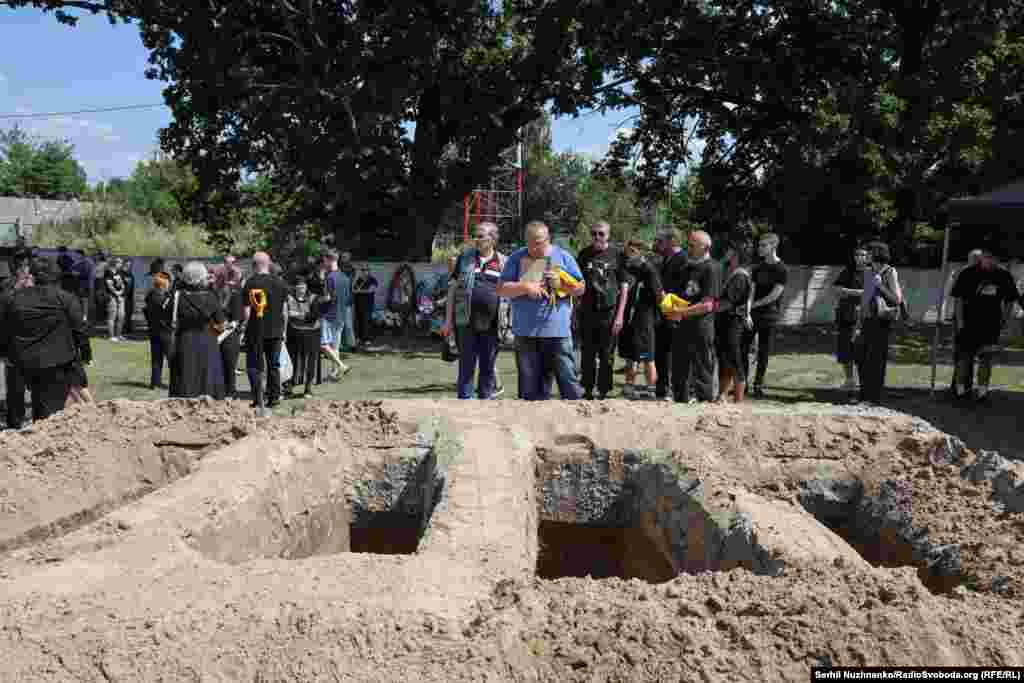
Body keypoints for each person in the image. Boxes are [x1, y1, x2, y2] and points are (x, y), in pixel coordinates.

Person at [497, 220, 585, 400]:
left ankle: (577, 414)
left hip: (557, 332)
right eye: (531, 244)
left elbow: (581, 289)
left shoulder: (564, 256)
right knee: (529, 392)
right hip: (525, 333)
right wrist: (525, 287)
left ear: (548, 239)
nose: (536, 248)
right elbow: (501, 289)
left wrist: (562, 285)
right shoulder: (516, 258)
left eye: (540, 243)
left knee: (569, 385)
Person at [0, 257, 85, 423]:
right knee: (48, 411)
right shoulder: (66, 298)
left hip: (23, 360)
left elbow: (4, 327)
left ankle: (23, 423)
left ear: (33, 276)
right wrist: (84, 353)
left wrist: (4, 352)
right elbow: (79, 329)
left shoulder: (12, 298)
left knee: (36, 402)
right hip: (56, 361)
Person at [442, 221, 507, 400]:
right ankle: (464, 404)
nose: (476, 239)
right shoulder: (465, 258)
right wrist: (448, 321)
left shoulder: (504, 262)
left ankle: (485, 404)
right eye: (475, 236)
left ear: (492, 239)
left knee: (488, 368)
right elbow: (452, 289)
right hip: (465, 321)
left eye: (480, 236)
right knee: (466, 367)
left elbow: (511, 294)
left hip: (493, 324)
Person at [950, 247, 1019, 402]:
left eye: (991, 257)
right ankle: (960, 391)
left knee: (986, 359)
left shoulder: (1003, 275)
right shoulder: (967, 273)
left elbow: (1010, 300)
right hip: (968, 324)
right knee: (964, 359)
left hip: (991, 325)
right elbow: (958, 298)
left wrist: (1005, 321)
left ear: (996, 259)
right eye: (986, 256)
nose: (988, 260)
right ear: (982, 256)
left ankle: (982, 392)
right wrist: (960, 322)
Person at [663, 230, 721, 403]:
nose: (688, 248)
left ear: (705, 248)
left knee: (702, 366)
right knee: (679, 366)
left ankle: (704, 402)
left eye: (692, 245)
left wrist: (681, 313)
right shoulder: (686, 267)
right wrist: (670, 305)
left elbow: (708, 304)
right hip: (682, 326)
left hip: (701, 327)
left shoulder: (712, 268)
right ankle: (679, 400)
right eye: (688, 244)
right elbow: (679, 295)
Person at [575, 221, 629, 400]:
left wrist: (620, 315)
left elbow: (624, 287)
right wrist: (574, 310)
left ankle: (604, 391)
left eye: (601, 234)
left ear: (608, 235)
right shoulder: (584, 254)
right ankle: (587, 389)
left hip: (609, 311)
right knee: (587, 353)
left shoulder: (618, 255)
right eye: (594, 233)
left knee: (607, 354)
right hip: (588, 311)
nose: (597, 237)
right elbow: (577, 283)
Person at [168, 262, 227, 400]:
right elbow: (221, 324)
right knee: (208, 380)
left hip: (185, 341)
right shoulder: (211, 297)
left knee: (185, 380)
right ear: (201, 278)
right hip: (208, 342)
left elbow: (167, 319)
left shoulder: (177, 297)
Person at [855, 241, 903, 405]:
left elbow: (897, 299)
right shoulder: (868, 272)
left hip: (881, 320)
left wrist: (880, 285)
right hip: (867, 319)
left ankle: (874, 396)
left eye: (868, 253)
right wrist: (858, 323)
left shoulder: (889, 271)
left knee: (876, 359)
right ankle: (864, 393)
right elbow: (865, 298)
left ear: (876, 254)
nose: (865, 256)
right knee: (861, 356)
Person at [242, 252, 288, 409]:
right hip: (275, 330)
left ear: (254, 265)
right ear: (269, 264)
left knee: (254, 365)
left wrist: (244, 327)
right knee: (273, 364)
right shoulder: (280, 283)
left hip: (256, 330)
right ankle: (274, 397)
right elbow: (284, 310)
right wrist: (284, 330)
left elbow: (247, 312)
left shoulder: (250, 283)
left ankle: (258, 398)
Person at [619, 239, 663, 400]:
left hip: (646, 319)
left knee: (647, 357)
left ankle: (651, 389)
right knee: (631, 355)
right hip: (631, 318)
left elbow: (660, 296)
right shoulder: (630, 268)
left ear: (640, 252)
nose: (629, 255)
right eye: (627, 251)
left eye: (633, 252)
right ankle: (629, 386)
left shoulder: (649, 270)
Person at [745, 232, 788, 398]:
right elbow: (752, 291)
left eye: (763, 245)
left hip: (769, 314)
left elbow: (774, 295)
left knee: (763, 350)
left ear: (773, 246)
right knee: (743, 348)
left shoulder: (781, 269)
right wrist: (748, 311)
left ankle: (758, 385)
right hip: (753, 313)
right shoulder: (757, 268)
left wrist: (755, 305)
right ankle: (743, 383)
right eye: (759, 245)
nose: (760, 248)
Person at [715, 242, 754, 403]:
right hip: (726, 321)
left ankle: (738, 399)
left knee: (734, 358)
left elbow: (729, 302)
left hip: (733, 321)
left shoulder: (740, 276)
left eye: (730, 252)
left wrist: (711, 307)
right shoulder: (733, 273)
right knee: (725, 359)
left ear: (736, 256)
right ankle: (722, 395)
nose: (727, 255)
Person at [652, 227, 687, 402]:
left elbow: (684, 289)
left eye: (660, 241)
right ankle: (662, 388)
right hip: (662, 313)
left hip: (675, 313)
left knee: (675, 354)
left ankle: (675, 389)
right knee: (661, 352)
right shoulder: (665, 259)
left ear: (672, 241)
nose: (657, 244)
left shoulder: (683, 259)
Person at [944, 249, 983, 394]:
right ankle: (960, 385)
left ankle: (964, 385)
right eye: (975, 260)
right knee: (962, 354)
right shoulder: (962, 273)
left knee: (967, 354)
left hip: (973, 319)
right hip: (962, 318)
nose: (976, 263)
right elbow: (954, 296)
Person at [832, 246, 870, 391]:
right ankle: (849, 380)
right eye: (858, 255)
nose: (860, 258)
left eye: (863, 255)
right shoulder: (847, 272)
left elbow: (871, 293)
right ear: (854, 257)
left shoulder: (871, 273)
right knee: (845, 350)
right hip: (846, 316)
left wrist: (848, 292)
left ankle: (864, 382)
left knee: (862, 350)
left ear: (867, 257)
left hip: (864, 317)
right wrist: (859, 293)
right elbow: (837, 290)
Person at [318, 250, 352, 381]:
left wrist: (317, 299)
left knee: (323, 344)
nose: (323, 263)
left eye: (324, 261)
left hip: (329, 315)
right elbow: (348, 298)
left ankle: (341, 366)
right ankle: (334, 373)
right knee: (335, 347)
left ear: (329, 260)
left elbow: (327, 297)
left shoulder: (330, 277)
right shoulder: (345, 277)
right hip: (341, 315)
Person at [284, 278, 321, 398]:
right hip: (294, 335)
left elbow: (314, 316)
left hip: (312, 334)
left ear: (306, 287)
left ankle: (308, 388)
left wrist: (297, 314)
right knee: (292, 361)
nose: (301, 288)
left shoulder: (313, 298)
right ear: (295, 287)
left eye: (303, 286)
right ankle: (289, 387)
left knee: (310, 361)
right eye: (298, 286)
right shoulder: (289, 298)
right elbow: (286, 314)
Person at [144, 271, 174, 389]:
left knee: (156, 358)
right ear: (164, 283)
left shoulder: (150, 296)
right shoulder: (166, 297)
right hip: (165, 330)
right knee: (171, 358)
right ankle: (176, 382)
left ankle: (155, 382)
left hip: (153, 330)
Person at [220, 283, 245, 399]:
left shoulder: (236, 297)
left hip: (230, 336)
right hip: (216, 335)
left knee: (229, 366)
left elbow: (235, 321)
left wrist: (220, 337)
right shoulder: (216, 296)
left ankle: (230, 393)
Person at [352, 264, 379, 348]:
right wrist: (359, 290)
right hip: (358, 303)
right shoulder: (358, 280)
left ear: (369, 271)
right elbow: (353, 289)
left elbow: (371, 290)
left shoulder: (372, 280)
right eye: (362, 270)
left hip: (368, 304)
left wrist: (359, 291)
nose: (364, 272)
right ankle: (359, 337)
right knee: (359, 320)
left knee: (366, 321)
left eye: (365, 270)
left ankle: (367, 339)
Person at [103, 257, 127, 341]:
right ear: (115, 263)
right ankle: (111, 336)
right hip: (112, 297)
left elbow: (123, 284)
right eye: (120, 263)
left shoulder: (120, 272)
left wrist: (121, 292)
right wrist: (117, 294)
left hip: (120, 297)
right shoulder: (108, 272)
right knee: (112, 316)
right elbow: (109, 285)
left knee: (121, 316)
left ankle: (119, 334)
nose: (121, 264)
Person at [120, 257, 137, 336]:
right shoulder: (120, 274)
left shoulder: (131, 274)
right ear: (123, 264)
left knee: (129, 313)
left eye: (129, 265)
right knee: (123, 314)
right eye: (126, 265)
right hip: (123, 296)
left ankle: (128, 327)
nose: (128, 266)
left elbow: (132, 287)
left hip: (130, 297)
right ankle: (122, 329)